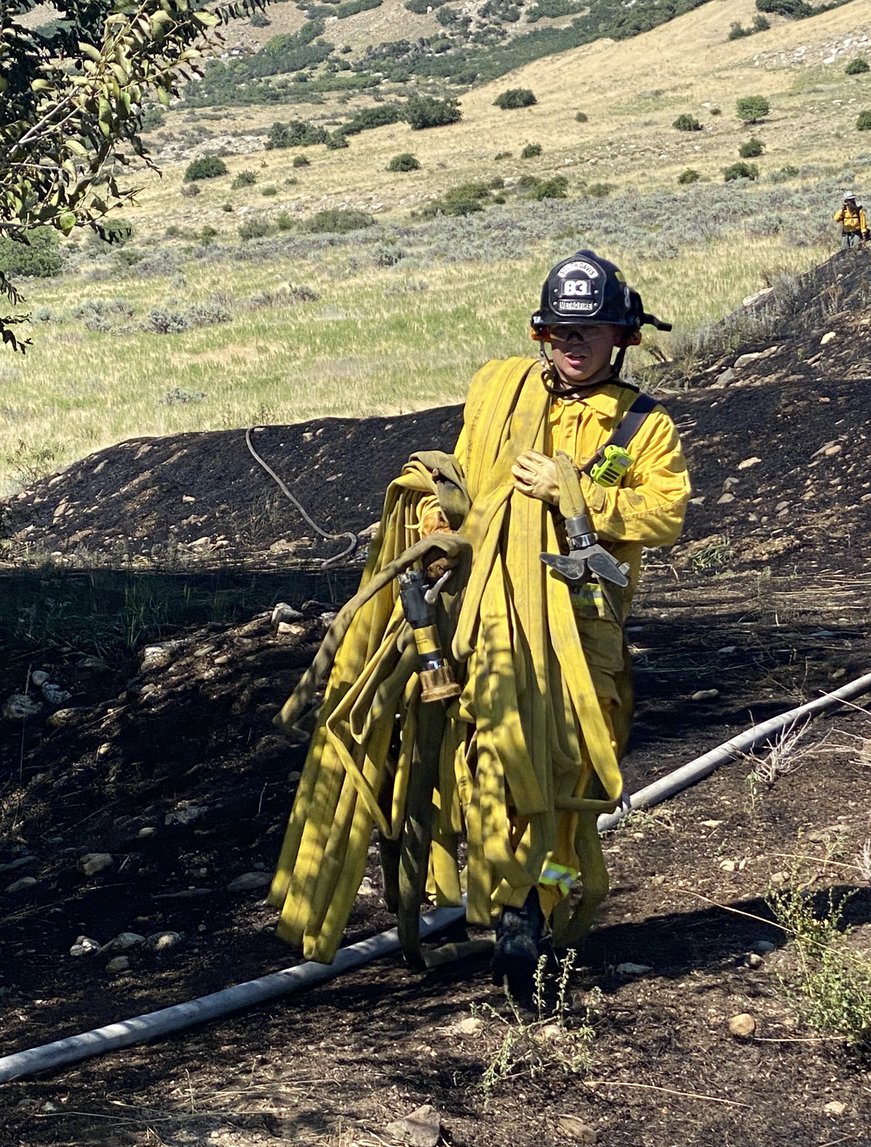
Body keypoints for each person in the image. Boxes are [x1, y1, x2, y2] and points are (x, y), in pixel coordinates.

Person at [269, 250, 690, 995]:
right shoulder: (503, 396)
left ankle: (547, 895)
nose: (571, 341)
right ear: (540, 332)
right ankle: (514, 914)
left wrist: (579, 500)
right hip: (485, 625)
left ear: (620, 336)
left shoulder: (641, 428)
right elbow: (465, 479)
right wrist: (437, 513)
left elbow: (664, 514)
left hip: (581, 640)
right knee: (489, 769)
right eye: (558, 328)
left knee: (566, 792)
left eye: (588, 330)